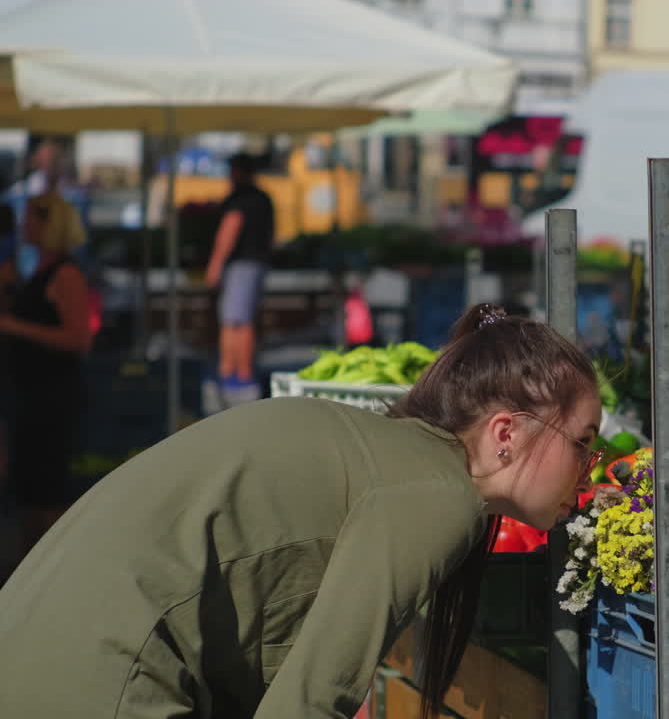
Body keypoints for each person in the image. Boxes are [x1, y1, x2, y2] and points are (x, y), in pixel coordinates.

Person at [0, 303, 602, 718]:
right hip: (103, 671)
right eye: (582, 442)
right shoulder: (437, 494)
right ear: (506, 433)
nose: (591, 467)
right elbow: (311, 702)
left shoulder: (388, 455)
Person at [0, 191, 92, 559]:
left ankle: (52, 567)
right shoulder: (35, 271)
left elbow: (78, 338)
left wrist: (15, 327)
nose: (24, 226)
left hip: (50, 399)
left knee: (46, 492)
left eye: (31, 220)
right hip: (29, 396)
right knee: (30, 492)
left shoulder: (65, 274)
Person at [206, 153, 275, 397]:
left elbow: (229, 230)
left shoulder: (241, 199)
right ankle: (240, 371)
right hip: (258, 264)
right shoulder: (263, 198)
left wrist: (215, 264)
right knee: (243, 318)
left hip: (241, 265)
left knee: (234, 321)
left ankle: (234, 372)